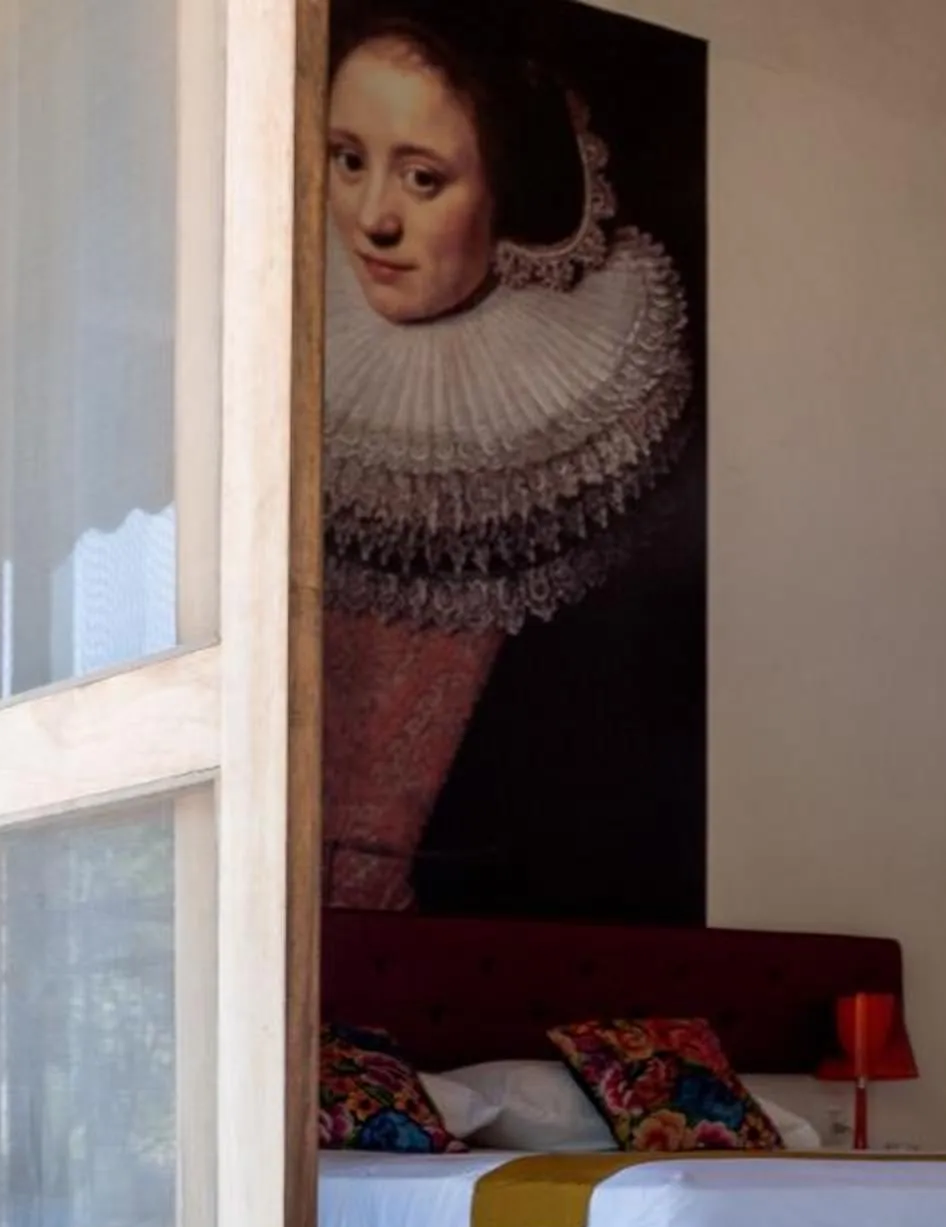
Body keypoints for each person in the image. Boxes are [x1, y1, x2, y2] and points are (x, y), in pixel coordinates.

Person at [320, 0, 694, 909]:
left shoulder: (597, 398)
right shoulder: (275, 318)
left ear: (502, 190)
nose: (372, 219)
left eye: (422, 178)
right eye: (348, 161)